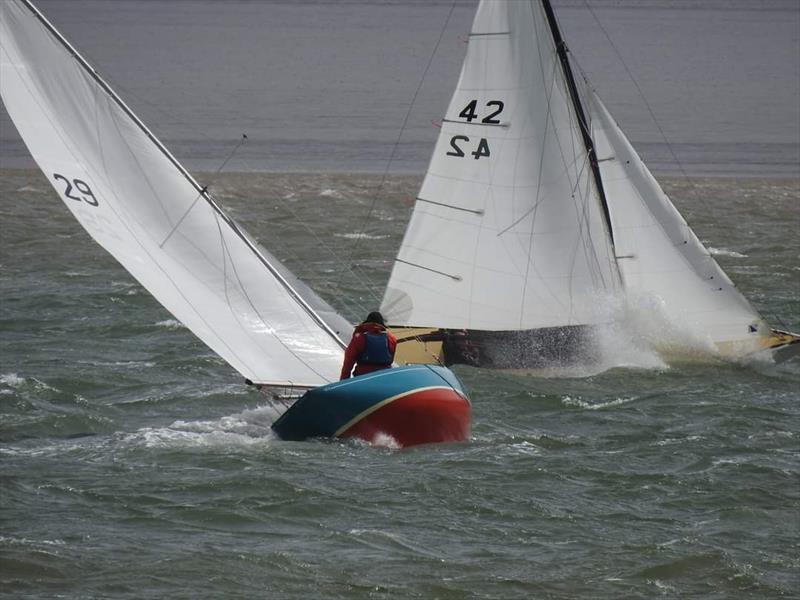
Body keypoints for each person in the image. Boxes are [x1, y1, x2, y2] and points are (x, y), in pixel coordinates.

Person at [340, 311, 397, 379]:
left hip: (363, 377)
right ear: (382, 324)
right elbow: (390, 360)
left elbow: (348, 362)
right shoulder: (391, 338)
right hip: (384, 377)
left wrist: (343, 381)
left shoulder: (359, 338)